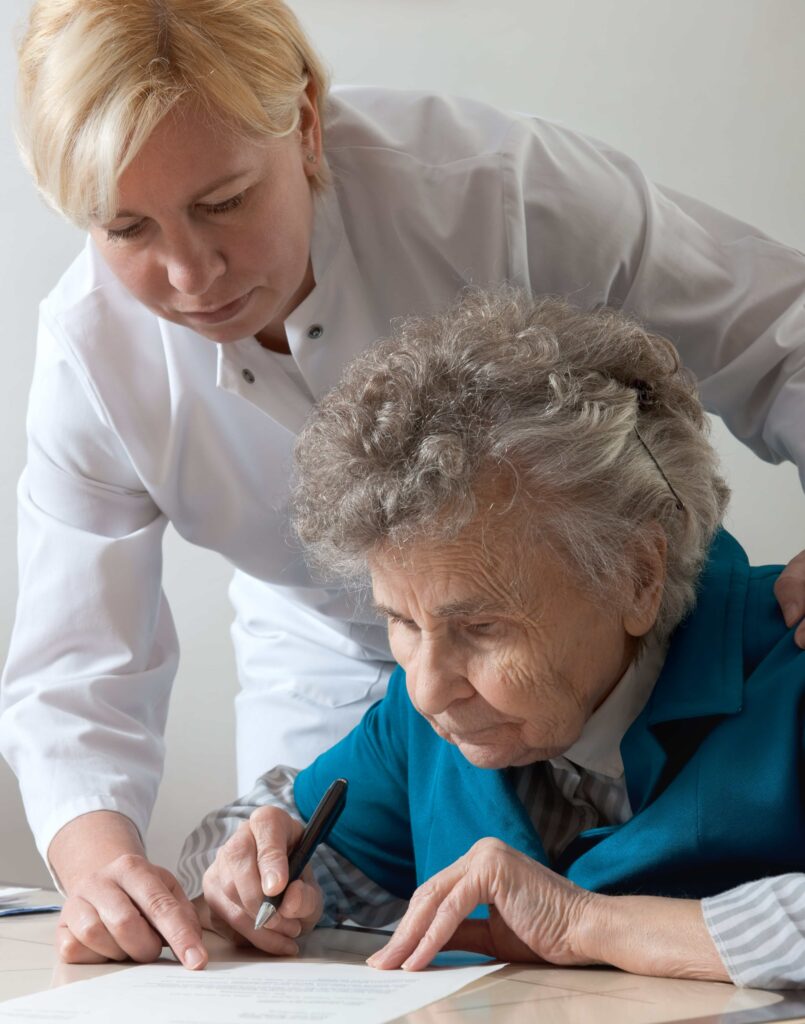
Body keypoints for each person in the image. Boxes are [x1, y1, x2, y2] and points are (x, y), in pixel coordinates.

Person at [2, 0, 805, 972]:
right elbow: (76, 666)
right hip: (362, 702)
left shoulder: (496, 189)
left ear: (303, 124)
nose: (187, 271)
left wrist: (590, 926)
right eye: (124, 226)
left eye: (221, 203)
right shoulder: (92, 354)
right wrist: (136, 869)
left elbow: (780, 331)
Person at [181, 291, 805, 989]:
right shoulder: (422, 723)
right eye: (402, 622)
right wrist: (249, 868)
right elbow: (280, 843)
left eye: (480, 627)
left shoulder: (790, 662)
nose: (425, 687)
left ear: (636, 578)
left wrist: (586, 924)